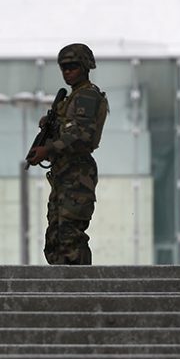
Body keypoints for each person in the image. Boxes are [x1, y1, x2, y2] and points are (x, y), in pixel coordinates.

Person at [27, 43, 108, 265]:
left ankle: (80, 290)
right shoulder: (69, 100)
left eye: (72, 66)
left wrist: (49, 148)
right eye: (64, 67)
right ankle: (62, 291)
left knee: (70, 236)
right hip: (64, 173)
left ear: (84, 66)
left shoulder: (87, 97)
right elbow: (69, 133)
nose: (67, 71)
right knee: (55, 237)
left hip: (77, 172)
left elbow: (82, 137)